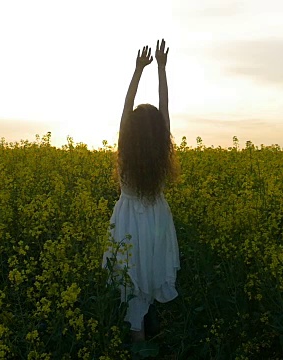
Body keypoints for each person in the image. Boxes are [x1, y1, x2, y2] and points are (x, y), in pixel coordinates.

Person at [102, 39, 180, 343]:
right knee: (149, 270)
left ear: (130, 131)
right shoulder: (161, 150)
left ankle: (138, 338)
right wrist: (161, 68)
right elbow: (165, 108)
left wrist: (138, 71)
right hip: (157, 219)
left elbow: (125, 108)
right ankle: (146, 331)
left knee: (132, 278)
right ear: (160, 133)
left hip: (128, 221)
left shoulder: (125, 148)